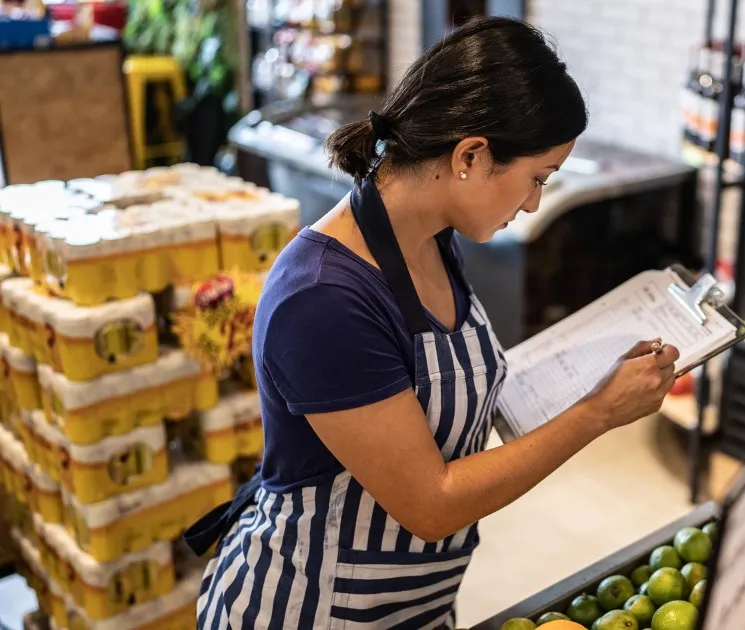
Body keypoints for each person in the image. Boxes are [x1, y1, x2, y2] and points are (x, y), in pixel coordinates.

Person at [186, 16, 680, 630]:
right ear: (471, 155)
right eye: (536, 179)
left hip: (412, 605)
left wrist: (593, 369)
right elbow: (431, 502)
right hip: (313, 607)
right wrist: (598, 412)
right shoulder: (322, 299)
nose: (532, 204)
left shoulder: (433, 240)